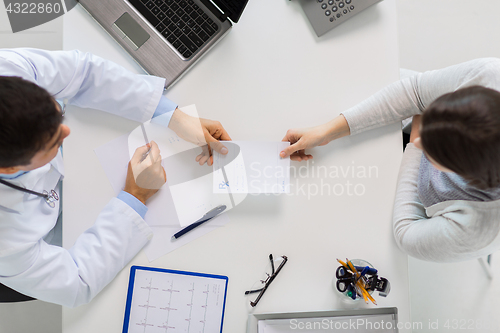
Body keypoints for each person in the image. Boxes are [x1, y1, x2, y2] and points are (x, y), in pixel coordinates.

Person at [0, 48, 231, 307]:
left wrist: (175, 118)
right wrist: (135, 196)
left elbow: (85, 73)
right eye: (54, 140)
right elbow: (76, 282)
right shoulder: (6, 240)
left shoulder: (8, 69)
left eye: (58, 115)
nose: (66, 131)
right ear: (8, 169)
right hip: (45, 241)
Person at [281, 58, 500, 263]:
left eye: (432, 151)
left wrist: (415, 142)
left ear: (461, 173)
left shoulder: (479, 229)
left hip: (400, 192)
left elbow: (406, 234)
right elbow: (415, 93)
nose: (423, 142)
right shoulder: (491, 77)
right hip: (409, 122)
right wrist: (327, 131)